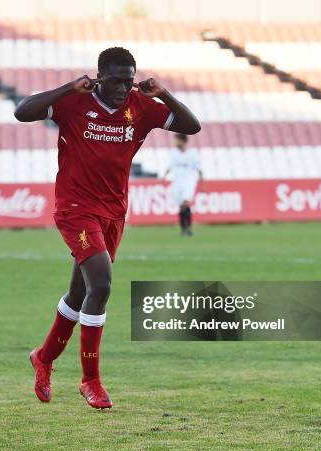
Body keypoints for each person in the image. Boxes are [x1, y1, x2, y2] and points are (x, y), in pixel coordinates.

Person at [14, 47, 200, 409]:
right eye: (116, 80)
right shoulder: (74, 103)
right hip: (75, 209)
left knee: (79, 294)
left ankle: (44, 358)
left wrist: (162, 93)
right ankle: (91, 380)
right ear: (100, 76)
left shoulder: (140, 107)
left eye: (128, 80)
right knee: (101, 284)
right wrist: (69, 87)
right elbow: (22, 112)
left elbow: (191, 126)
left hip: (113, 213)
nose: (123, 87)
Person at [164, 134, 203, 236]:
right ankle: (184, 228)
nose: (175, 142)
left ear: (183, 141)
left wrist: (202, 182)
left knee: (186, 203)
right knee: (181, 206)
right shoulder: (174, 153)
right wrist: (164, 176)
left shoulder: (192, 154)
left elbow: (199, 168)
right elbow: (170, 166)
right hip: (177, 182)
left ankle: (188, 227)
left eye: (177, 140)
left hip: (189, 182)